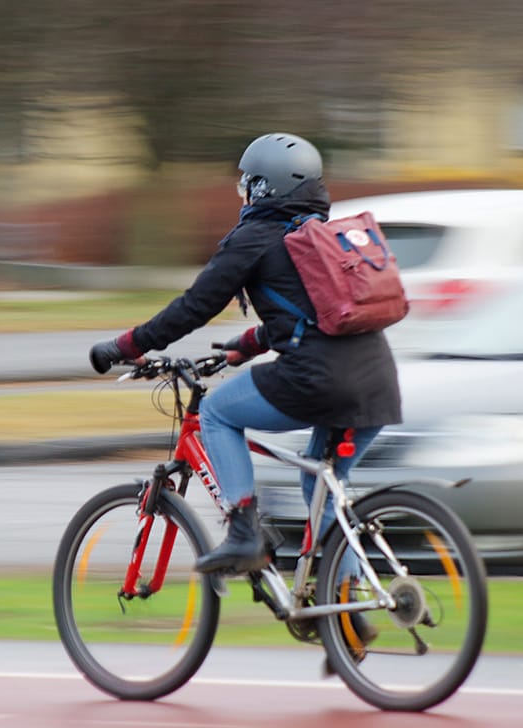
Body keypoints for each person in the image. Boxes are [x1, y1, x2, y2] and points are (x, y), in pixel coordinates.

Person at [89, 132, 402, 584]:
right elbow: (313, 316)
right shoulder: (317, 238)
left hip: (318, 380)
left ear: (264, 187)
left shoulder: (256, 235)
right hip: (376, 382)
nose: (243, 192)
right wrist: (250, 343)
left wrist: (126, 346)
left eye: (247, 182)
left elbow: (195, 306)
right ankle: (347, 616)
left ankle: (242, 531)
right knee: (322, 488)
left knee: (216, 412)